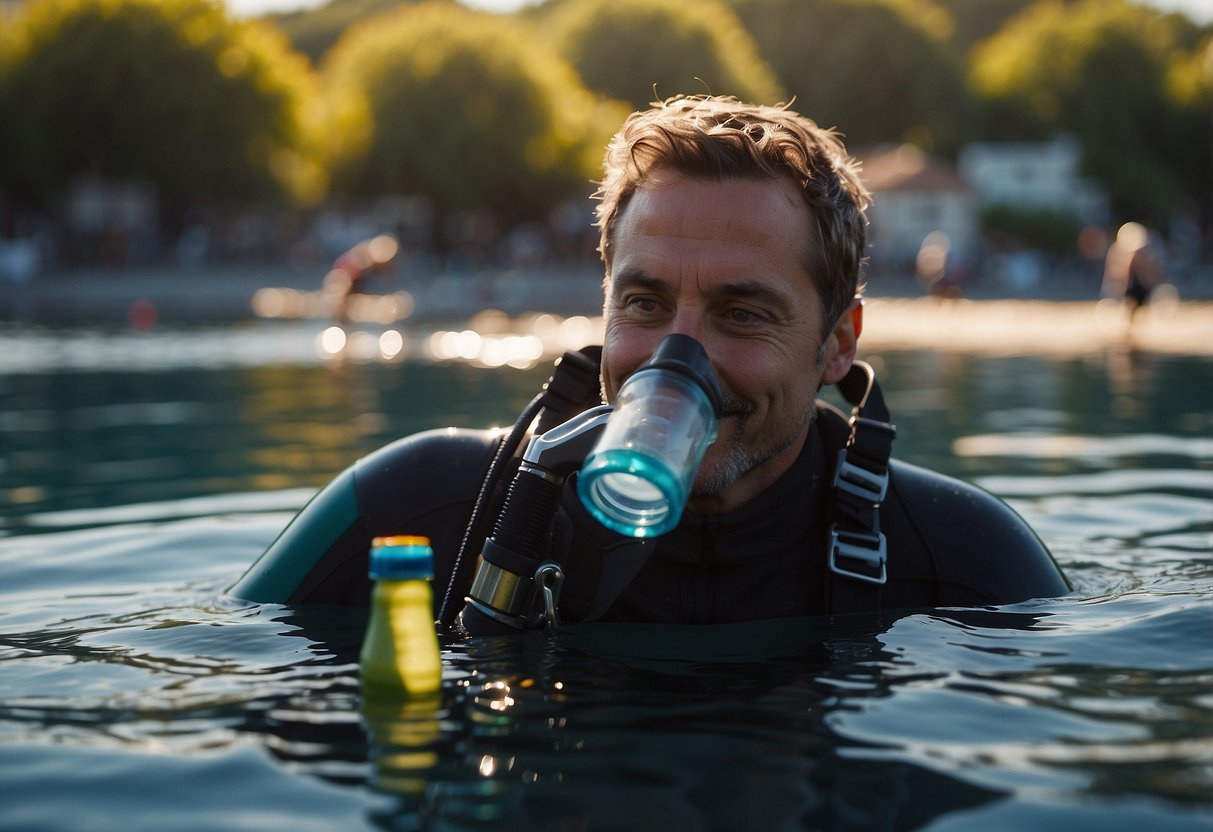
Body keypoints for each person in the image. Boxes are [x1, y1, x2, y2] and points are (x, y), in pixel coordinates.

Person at [231, 96, 1070, 626]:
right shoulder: (415, 506)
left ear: (836, 345)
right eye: (644, 303)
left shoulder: (964, 557)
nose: (679, 358)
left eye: (742, 313)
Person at [323, 233, 400, 326]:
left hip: (349, 279)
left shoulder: (372, 253)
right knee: (340, 307)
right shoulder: (364, 260)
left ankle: (342, 321)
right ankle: (340, 321)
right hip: (344, 277)